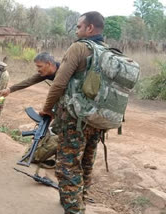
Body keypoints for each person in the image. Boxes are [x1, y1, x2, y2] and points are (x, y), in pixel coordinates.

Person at [39, 11, 105, 214]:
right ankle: (79, 201)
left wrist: (47, 108)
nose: (76, 30)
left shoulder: (79, 48)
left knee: (67, 166)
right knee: (85, 164)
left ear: (89, 28)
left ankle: (74, 209)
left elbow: (59, 84)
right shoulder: (107, 52)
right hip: (97, 120)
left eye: (78, 26)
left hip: (75, 120)